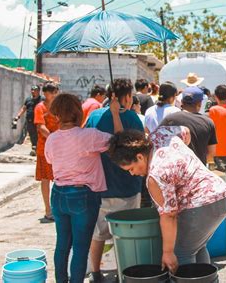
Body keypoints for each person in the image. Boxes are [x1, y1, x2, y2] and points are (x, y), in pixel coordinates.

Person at [108, 126, 226, 273]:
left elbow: (169, 215)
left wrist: (167, 252)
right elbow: (185, 131)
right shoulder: (162, 134)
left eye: (131, 168)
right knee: (196, 247)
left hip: (200, 205)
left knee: (181, 253)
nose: (132, 174)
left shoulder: (155, 176)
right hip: (221, 194)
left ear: (140, 157)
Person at [45, 93, 123, 283]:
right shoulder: (89, 136)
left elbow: (49, 160)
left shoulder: (52, 139)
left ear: (57, 115)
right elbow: (119, 141)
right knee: (80, 247)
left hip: (58, 194)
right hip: (83, 195)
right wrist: (114, 114)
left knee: (62, 244)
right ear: (77, 113)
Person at [85, 78, 145, 283]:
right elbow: (138, 148)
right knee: (128, 234)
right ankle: (126, 272)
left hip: (100, 186)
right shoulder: (133, 118)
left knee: (98, 233)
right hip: (129, 186)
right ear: (127, 96)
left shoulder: (94, 116)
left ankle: (95, 272)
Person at [160, 86, 217, 165]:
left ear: (182, 102)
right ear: (199, 103)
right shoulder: (208, 122)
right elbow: (211, 153)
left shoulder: (169, 119)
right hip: (198, 171)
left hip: (175, 171)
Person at [33, 82, 59, 222]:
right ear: (45, 93)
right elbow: (41, 127)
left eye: (56, 91)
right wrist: (54, 139)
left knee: (60, 179)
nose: (54, 94)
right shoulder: (40, 107)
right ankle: (48, 210)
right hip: (44, 149)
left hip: (59, 149)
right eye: (52, 92)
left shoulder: (58, 108)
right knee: (45, 179)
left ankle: (57, 208)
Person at [14, 85, 43, 156]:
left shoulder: (42, 99)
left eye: (35, 90)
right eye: (32, 90)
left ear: (39, 91)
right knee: (32, 135)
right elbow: (23, 109)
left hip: (40, 121)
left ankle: (40, 149)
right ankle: (34, 148)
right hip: (30, 121)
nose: (33, 91)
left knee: (40, 135)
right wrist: (17, 116)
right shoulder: (28, 99)